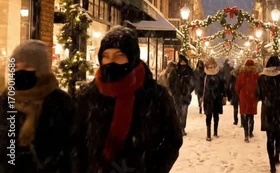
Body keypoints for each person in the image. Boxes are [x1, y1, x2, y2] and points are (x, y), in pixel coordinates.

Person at [73, 26, 183, 172]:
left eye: (119, 56)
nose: (111, 61)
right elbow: (75, 141)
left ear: (132, 57)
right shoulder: (87, 96)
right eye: (106, 56)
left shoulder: (155, 95)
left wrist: (153, 168)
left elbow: (173, 139)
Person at [0, 40, 73, 173]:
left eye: (27, 66)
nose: (20, 71)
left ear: (41, 68)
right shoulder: (6, 99)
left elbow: (68, 149)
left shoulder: (60, 101)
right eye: (15, 67)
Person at [256, 56, 280, 173]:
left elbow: (258, 95)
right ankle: (277, 156)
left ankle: (271, 163)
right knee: (279, 136)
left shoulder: (262, 78)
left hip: (268, 110)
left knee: (269, 137)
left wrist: (266, 97)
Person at [169, 55, 195, 136]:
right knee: (177, 112)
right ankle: (177, 128)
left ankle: (182, 127)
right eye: (181, 62)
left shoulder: (190, 71)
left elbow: (193, 82)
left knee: (184, 112)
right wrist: (173, 90)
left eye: (184, 62)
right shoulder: (175, 71)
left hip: (185, 95)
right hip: (177, 94)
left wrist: (188, 90)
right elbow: (170, 81)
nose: (183, 63)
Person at [235, 59, 259, 142]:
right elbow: (258, 86)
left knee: (245, 115)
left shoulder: (241, 75)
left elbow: (237, 86)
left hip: (244, 96)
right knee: (251, 115)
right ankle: (250, 132)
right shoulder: (256, 75)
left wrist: (240, 93)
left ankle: (246, 134)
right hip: (253, 97)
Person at [203, 57, 226, 141]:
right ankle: (208, 133)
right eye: (210, 64)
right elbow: (201, 85)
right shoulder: (205, 73)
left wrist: (224, 95)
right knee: (208, 115)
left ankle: (215, 131)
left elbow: (223, 85)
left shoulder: (219, 73)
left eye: (212, 64)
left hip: (216, 97)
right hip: (208, 98)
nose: (211, 66)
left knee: (215, 115)